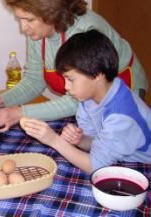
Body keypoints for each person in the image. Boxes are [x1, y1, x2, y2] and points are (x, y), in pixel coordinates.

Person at [0, 0, 147, 132]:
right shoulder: (38, 33)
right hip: (87, 102)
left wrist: (20, 112)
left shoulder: (85, 33)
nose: (23, 28)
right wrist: (2, 100)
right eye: (20, 19)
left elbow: (79, 98)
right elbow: (34, 80)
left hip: (123, 91)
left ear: (50, 14)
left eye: (29, 20)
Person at [20, 30, 151, 174]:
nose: (66, 87)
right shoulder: (89, 97)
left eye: (70, 79)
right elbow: (96, 144)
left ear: (96, 75)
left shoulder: (121, 116)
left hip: (143, 166)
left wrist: (54, 140)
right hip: (122, 158)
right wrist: (81, 140)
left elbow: (95, 167)